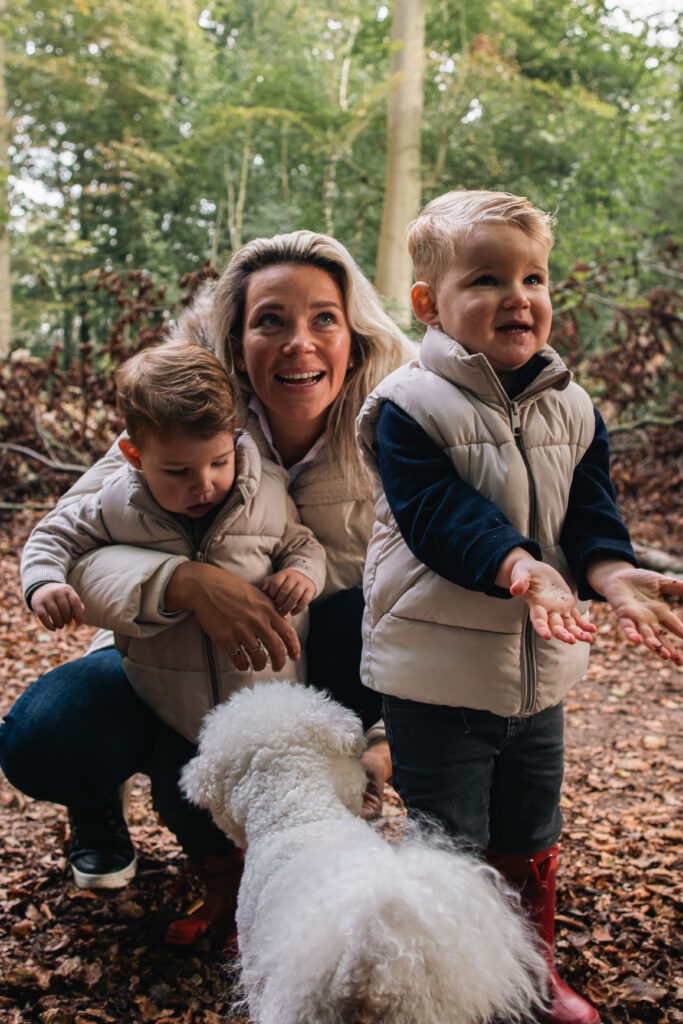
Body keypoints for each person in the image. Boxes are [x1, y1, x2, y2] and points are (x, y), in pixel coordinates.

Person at [0, 229, 414, 946]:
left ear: (355, 333)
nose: (298, 343)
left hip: (315, 653)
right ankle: (96, 803)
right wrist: (183, 581)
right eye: (270, 321)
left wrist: (383, 733)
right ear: (235, 334)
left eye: (323, 318)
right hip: (162, 649)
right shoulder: (185, 415)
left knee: (355, 619)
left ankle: (307, 839)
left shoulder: (395, 424)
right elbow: (72, 537)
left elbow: (415, 577)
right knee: (45, 739)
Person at [355, 190, 683, 1024]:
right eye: (488, 277)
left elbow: (590, 510)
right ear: (429, 303)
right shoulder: (407, 406)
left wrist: (608, 574)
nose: (518, 296)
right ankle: (451, 990)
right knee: (450, 843)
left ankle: (528, 976)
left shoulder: (571, 403)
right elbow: (439, 517)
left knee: (530, 831)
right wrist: (522, 568)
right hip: (434, 677)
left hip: (536, 676)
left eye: (532, 276)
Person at [24, 340, 326, 750]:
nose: (204, 485)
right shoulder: (116, 502)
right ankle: (98, 800)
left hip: (263, 689)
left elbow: (302, 543)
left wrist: (301, 574)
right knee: (177, 800)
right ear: (134, 455)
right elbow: (53, 533)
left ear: (234, 437)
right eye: (177, 471)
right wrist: (45, 583)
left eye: (219, 461)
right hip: (160, 696)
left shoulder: (266, 490)